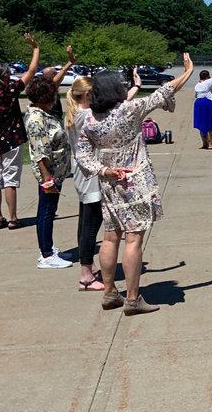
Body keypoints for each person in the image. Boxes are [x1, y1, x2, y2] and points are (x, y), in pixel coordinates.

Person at [76, 54, 196, 316]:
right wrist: (188, 72)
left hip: (109, 181)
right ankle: (132, 298)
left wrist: (104, 169)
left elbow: (82, 155)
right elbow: (165, 90)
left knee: (110, 236)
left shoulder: (89, 120)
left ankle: (109, 292)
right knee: (133, 239)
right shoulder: (129, 110)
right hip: (135, 181)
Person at [66, 70, 141, 291]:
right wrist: (135, 88)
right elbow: (119, 110)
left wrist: (135, 87)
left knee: (84, 222)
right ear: (88, 94)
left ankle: (88, 269)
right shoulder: (85, 116)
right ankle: (86, 276)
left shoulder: (74, 113)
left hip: (82, 172)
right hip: (92, 174)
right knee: (91, 225)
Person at [0, 32, 40, 229]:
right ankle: (13, 218)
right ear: (4, 75)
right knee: (10, 180)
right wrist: (35, 49)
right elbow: (31, 71)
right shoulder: (11, 88)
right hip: (11, 140)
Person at [24, 75, 72, 268]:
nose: (55, 98)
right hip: (49, 174)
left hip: (56, 172)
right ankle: (46, 255)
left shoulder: (44, 113)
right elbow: (39, 152)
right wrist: (47, 179)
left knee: (50, 210)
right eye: (53, 95)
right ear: (44, 97)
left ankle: (49, 248)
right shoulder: (36, 119)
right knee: (46, 211)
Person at [193, 62, 212, 149]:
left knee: (201, 125)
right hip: (207, 104)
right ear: (207, 77)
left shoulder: (197, 85)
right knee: (209, 125)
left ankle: (204, 144)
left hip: (198, 104)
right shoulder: (208, 82)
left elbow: (195, 95)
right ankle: (210, 144)